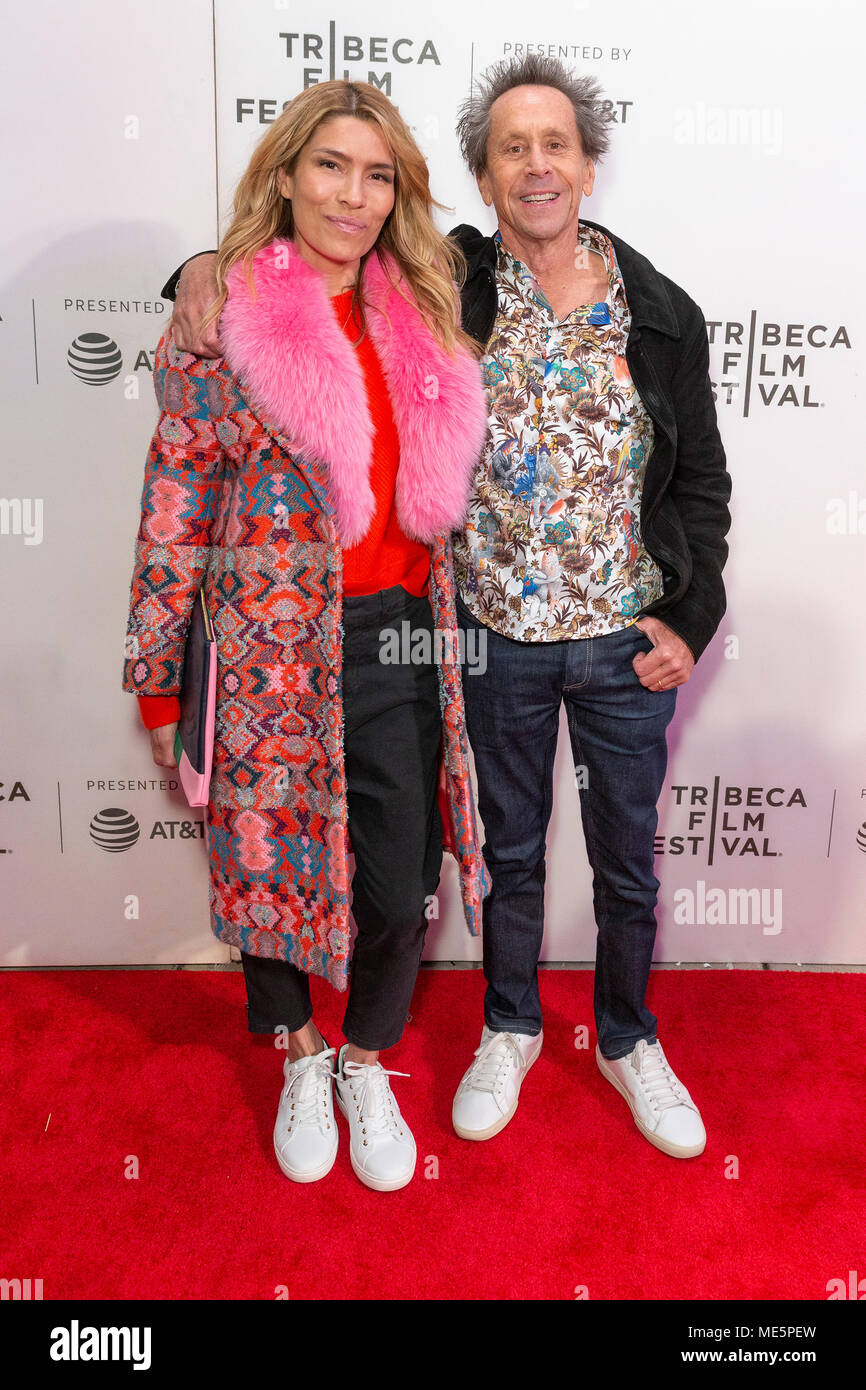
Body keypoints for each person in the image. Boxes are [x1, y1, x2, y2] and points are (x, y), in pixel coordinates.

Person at [163, 55, 732, 1161]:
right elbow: (301, 271)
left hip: (622, 636)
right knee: (505, 853)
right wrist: (196, 266)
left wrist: (689, 615)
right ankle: (509, 1027)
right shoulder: (444, 280)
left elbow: (700, 483)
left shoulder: (663, 311)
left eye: (554, 143)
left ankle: (627, 1037)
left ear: (588, 160)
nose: (535, 164)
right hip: (481, 632)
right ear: (480, 174)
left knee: (625, 858)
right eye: (510, 147)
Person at [122, 79, 489, 1193]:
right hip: (265, 645)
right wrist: (156, 683)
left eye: (378, 174)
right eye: (330, 165)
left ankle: (365, 1057)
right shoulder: (220, 317)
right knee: (267, 869)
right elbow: (174, 501)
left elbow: (549, 228)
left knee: (395, 884)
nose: (354, 194)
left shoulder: (426, 304)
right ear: (285, 174)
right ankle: (297, 1050)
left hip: (399, 640)